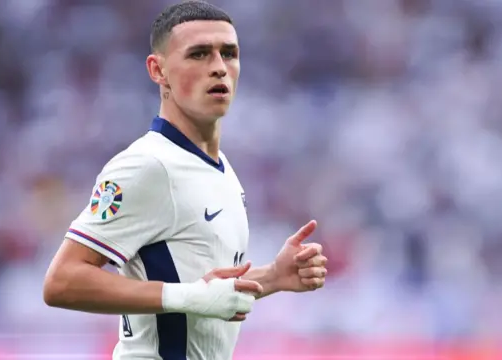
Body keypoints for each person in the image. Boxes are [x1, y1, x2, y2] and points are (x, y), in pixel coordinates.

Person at [42, 1, 328, 359]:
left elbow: (207, 291)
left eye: (229, 54)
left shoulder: (219, 166)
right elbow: (62, 281)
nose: (219, 68)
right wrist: (188, 296)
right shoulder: (148, 166)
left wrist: (274, 276)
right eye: (199, 55)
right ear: (157, 70)